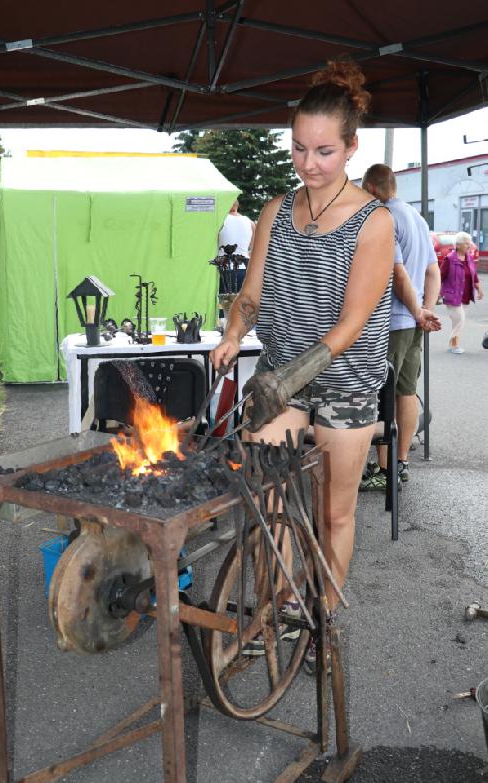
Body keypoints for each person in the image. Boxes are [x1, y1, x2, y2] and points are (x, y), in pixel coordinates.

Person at [210, 60, 394, 670]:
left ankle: (323, 620)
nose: (309, 163)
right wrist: (234, 333)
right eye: (298, 148)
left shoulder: (375, 221)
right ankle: (282, 607)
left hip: (344, 383)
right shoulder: (274, 212)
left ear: (350, 148)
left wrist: (290, 378)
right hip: (283, 378)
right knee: (266, 501)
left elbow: (349, 327)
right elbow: (252, 295)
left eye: (323, 151)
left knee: (335, 511)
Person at [360, 164, 441, 487]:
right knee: (406, 392)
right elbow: (433, 271)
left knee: (385, 394)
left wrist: (417, 311)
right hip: (414, 320)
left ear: (371, 189)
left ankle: (384, 470)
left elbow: (398, 273)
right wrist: (425, 311)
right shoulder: (418, 218)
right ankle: (400, 463)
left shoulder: (384, 217)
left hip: (394, 321)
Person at [440, 231, 484, 354]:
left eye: (469, 243)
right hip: (452, 296)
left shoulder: (469, 258)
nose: (469, 245)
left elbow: (474, 275)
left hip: (465, 296)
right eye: (466, 243)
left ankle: (453, 345)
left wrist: (479, 289)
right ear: (458, 245)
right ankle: (454, 345)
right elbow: (440, 277)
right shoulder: (449, 259)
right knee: (460, 319)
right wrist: (437, 294)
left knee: (457, 322)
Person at [217, 199, 256, 291]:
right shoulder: (250, 223)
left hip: (224, 270)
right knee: (240, 304)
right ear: (237, 206)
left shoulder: (220, 221)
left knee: (224, 303)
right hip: (244, 270)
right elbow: (254, 249)